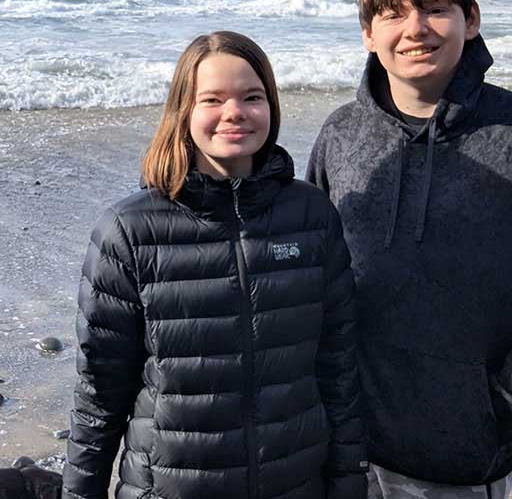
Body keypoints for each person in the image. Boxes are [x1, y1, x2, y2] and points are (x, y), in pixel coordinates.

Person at [306, 0, 512, 498]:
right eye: (393, 13)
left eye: (435, 8)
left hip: (461, 454)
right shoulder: (340, 135)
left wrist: (505, 407)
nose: (416, 28)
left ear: (470, 20)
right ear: (368, 34)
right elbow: (313, 274)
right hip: (343, 444)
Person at [63, 31, 367, 499]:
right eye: (213, 99)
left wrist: (349, 483)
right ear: (183, 111)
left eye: (252, 97)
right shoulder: (128, 230)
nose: (235, 113)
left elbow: (339, 370)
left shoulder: (312, 216)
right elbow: (99, 395)